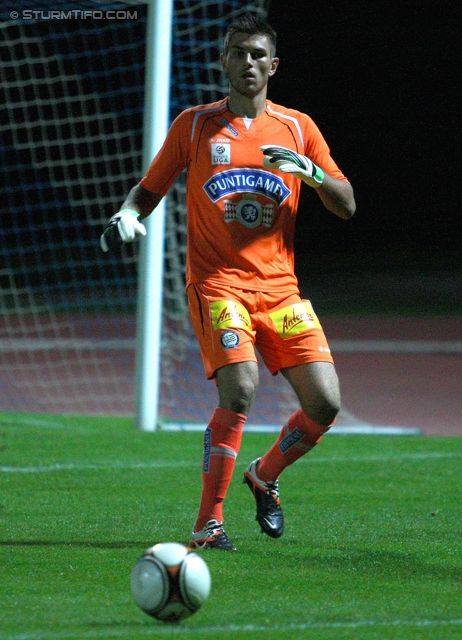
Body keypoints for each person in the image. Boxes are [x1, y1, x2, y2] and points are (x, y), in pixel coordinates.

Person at [100, 13, 356, 551]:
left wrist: (309, 173)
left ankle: (264, 475)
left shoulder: (298, 128)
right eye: (238, 53)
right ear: (224, 61)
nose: (248, 63)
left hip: (281, 290)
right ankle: (207, 523)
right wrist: (129, 216)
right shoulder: (194, 126)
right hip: (218, 284)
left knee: (325, 404)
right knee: (240, 387)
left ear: (274, 65)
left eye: (258, 54)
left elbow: (347, 204)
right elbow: (147, 190)